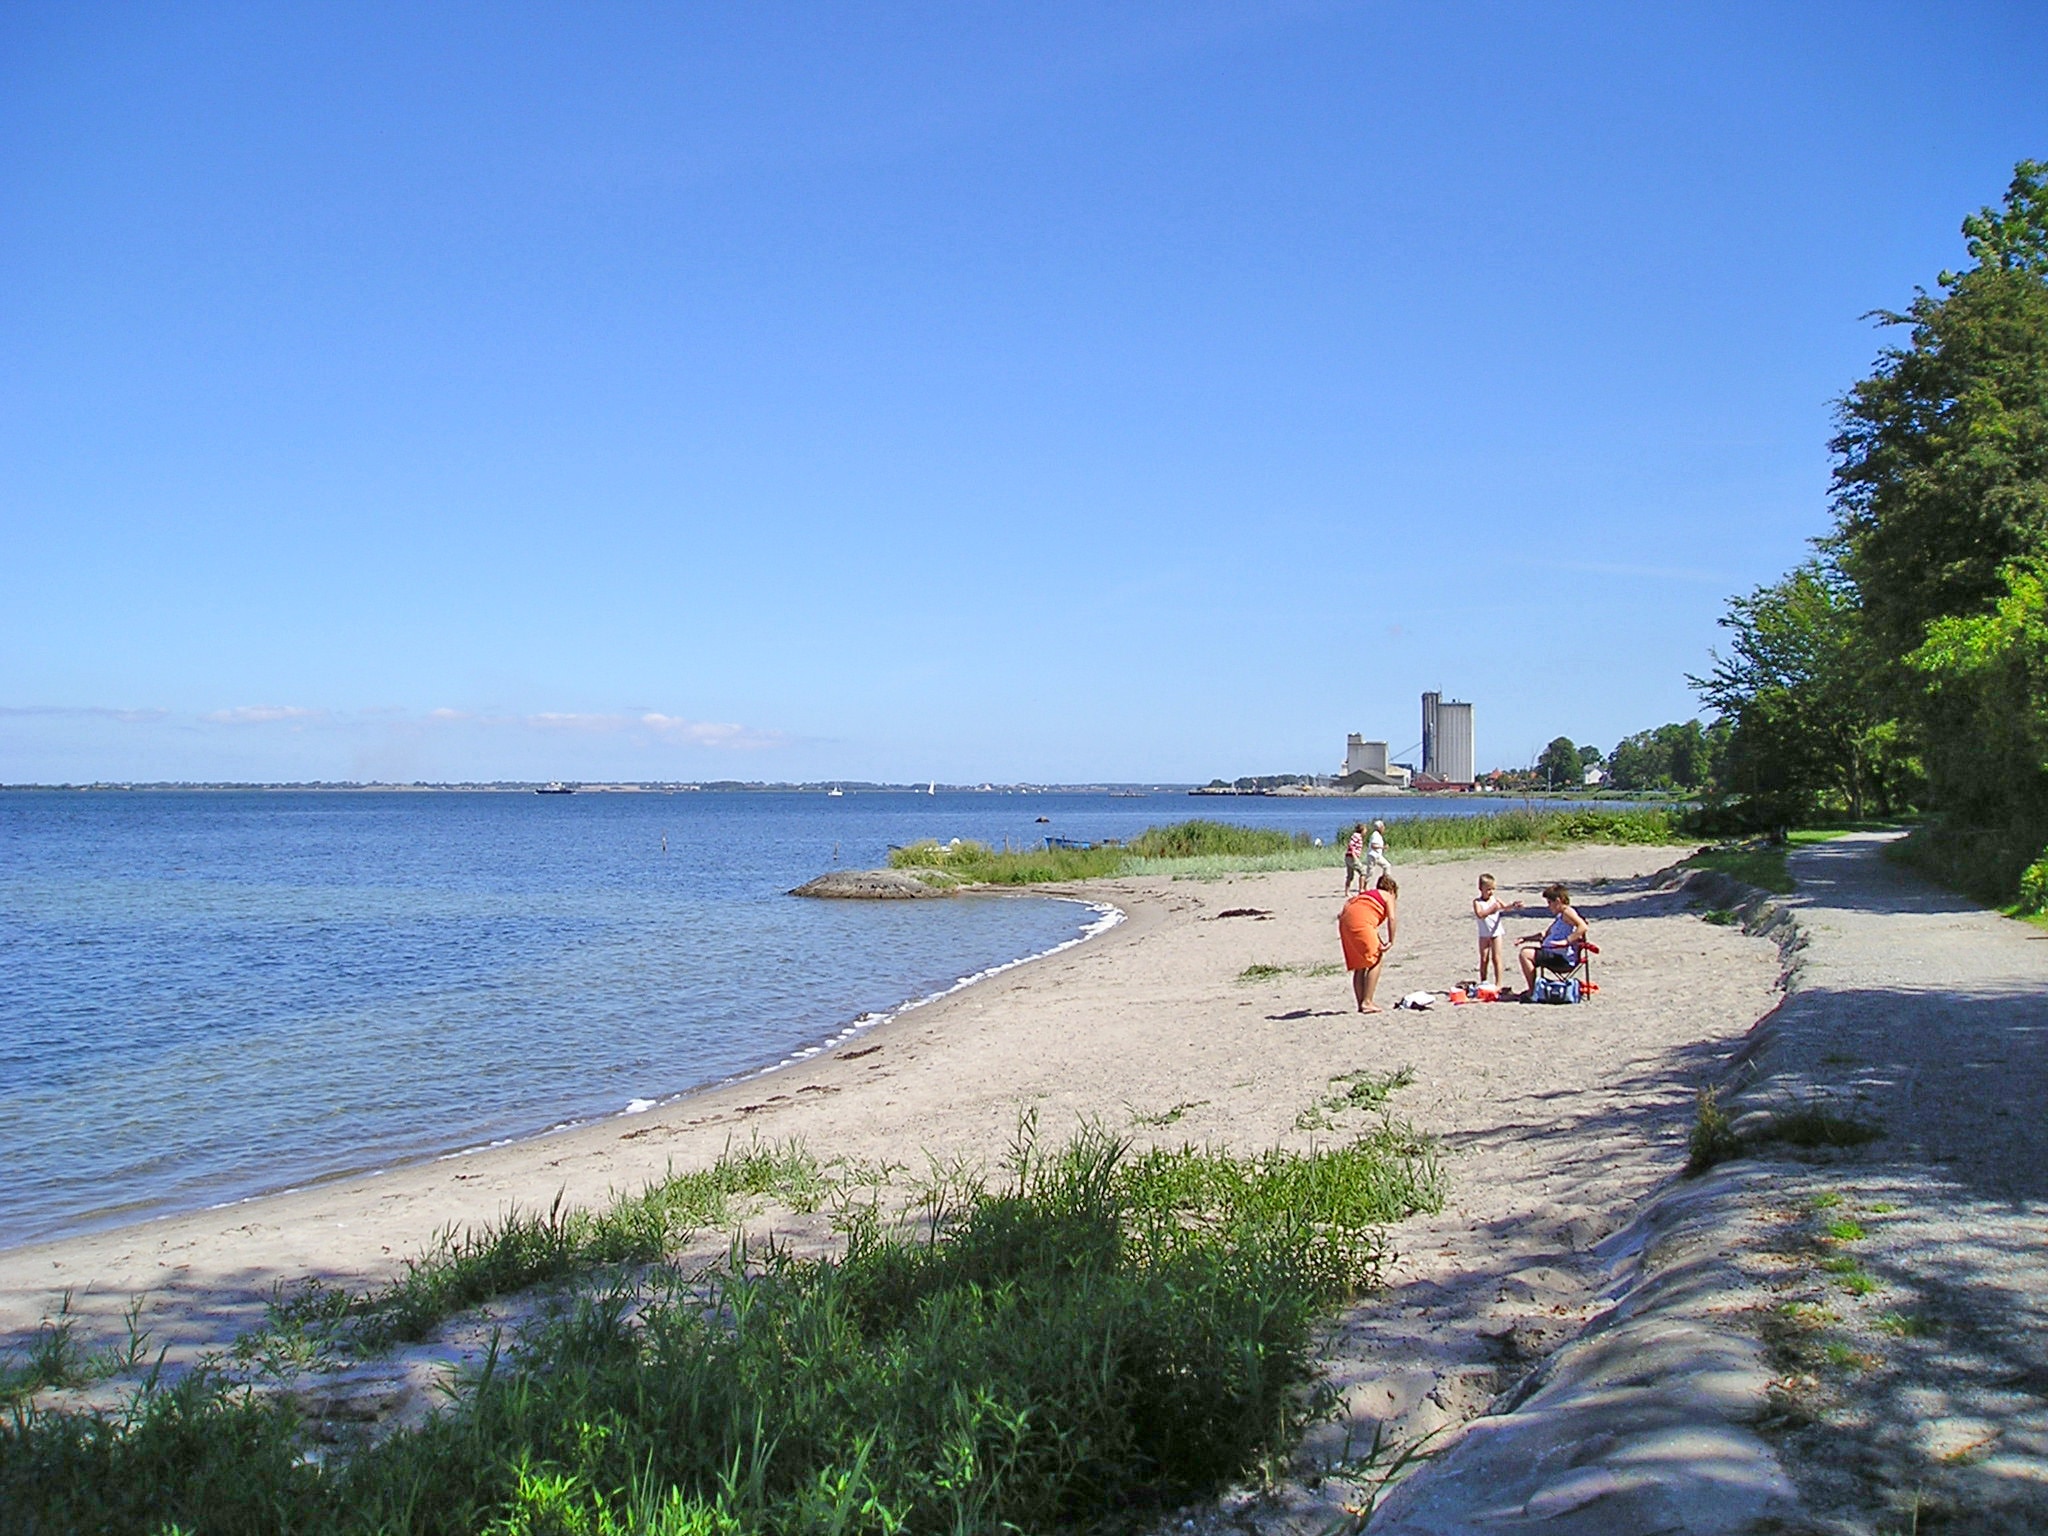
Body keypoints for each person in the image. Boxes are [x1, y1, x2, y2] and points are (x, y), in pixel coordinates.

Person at [1338, 874, 1399, 1013]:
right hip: (1361, 923)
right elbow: (1392, 918)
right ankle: (1367, 1001)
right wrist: (1391, 940)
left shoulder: (1366, 895)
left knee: (1360, 965)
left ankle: (1361, 1003)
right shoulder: (1388, 895)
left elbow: (1361, 915)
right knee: (1376, 960)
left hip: (1345, 922)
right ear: (1393, 891)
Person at [1517, 883, 1589, 996]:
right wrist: (1525, 939)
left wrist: (1567, 941)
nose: (1548, 906)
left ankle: (1532, 991)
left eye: (1550, 903)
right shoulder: (1560, 916)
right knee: (1526, 951)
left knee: (1525, 954)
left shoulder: (1567, 912)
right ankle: (1533, 989)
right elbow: (1544, 934)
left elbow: (1583, 926)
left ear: (1558, 901)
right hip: (1553, 953)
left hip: (1562, 958)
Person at [1472, 873, 1519, 989]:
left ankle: (1499, 983)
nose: (1491, 892)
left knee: (1496, 958)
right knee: (1484, 958)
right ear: (1480, 888)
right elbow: (1480, 914)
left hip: (1496, 932)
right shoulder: (1477, 902)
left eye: (1493, 889)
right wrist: (1491, 909)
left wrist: (1513, 905)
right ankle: (1484, 981)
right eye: (1488, 889)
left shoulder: (1495, 900)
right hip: (1484, 934)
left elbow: (1505, 907)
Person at [1364, 819, 1391, 890]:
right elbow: (1373, 845)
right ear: (1380, 827)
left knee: (1387, 866)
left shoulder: (1378, 835)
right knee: (1370, 871)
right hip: (1373, 855)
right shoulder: (1375, 835)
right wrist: (1383, 847)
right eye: (1383, 826)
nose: (1384, 828)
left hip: (1378, 855)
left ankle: (1385, 882)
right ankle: (1365, 885)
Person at [1344, 823, 1366, 893]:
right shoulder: (1357, 836)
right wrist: (1353, 854)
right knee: (1363, 872)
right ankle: (1361, 889)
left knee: (1350, 876)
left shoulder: (1357, 836)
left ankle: (1347, 891)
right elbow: (1351, 844)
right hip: (1352, 857)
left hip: (1349, 856)